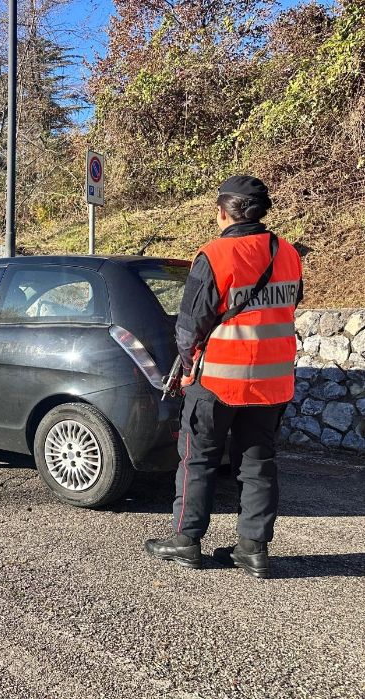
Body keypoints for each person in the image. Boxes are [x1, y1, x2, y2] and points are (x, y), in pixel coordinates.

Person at [145, 176, 303, 579]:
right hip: (272, 381)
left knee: (198, 459)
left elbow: (189, 325)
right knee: (258, 462)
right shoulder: (287, 252)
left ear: (222, 211)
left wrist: (186, 366)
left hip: (217, 381)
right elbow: (289, 303)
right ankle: (253, 548)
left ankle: (186, 540)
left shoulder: (215, 254)